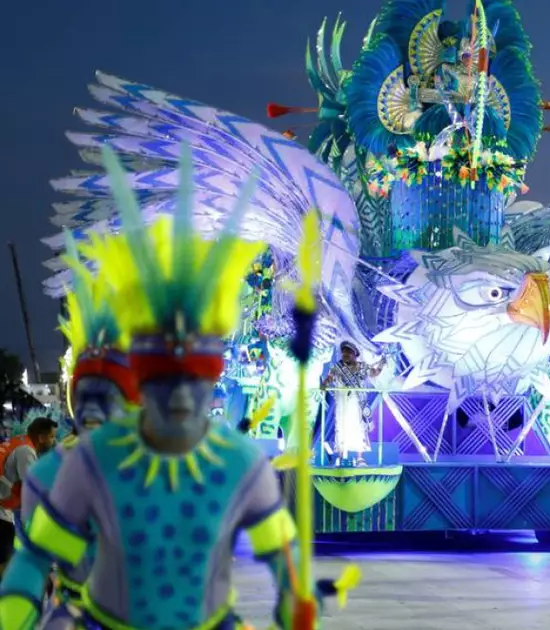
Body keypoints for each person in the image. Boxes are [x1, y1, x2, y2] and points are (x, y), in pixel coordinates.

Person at [0, 151, 349, 628]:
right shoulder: (91, 463)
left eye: (194, 382)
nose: (182, 399)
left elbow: (285, 565)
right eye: (165, 384)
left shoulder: (241, 465)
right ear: (143, 383)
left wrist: (297, 601)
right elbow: (34, 558)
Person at [5, 243, 140, 621]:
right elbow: (32, 560)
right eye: (85, 395)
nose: (92, 408)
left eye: (107, 395)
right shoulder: (52, 470)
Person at [0, 417, 58, 571]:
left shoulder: (20, 442)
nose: (53, 441)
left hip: (6, 508)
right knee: (5, 561)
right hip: (2, 512)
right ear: (41, 437)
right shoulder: (26, 451)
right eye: (52, 436)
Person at [321, 341, 383, 467]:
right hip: (342, 404)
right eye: (344, 352)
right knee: (341, 428)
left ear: (355, 354)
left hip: (358, 404)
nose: (345, 354)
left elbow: (374, 373)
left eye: (348, 352)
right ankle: (341, 457)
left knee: (359, 428)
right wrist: (324, 383)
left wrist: (382, 363)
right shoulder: (337, 367)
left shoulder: (362, 366)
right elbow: (328, 379)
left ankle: (360, 458)